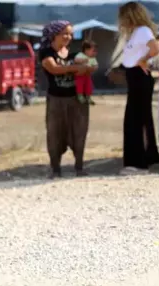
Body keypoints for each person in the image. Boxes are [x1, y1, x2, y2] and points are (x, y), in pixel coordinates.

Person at [39, 20, 96, 178]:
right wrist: (77, 69)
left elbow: (88, 66)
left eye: (70, 34)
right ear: (53, 35)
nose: (68, 37)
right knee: (55, 134)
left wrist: (87, 68)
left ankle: (79, 167)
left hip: (77, 100)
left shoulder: (73, 53)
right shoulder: (46, 53)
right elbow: (54, 69)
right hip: (56, 101)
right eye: (65, 33)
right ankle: (55, 169)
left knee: (79, 132)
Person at [117, 1, 159, 174]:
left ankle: (139, 163)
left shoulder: (143, 31)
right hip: (133, 77)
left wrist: (143, 59)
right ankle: (143, 159)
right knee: (135, 118)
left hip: (139, 76)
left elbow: (155, 48)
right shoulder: (134, 33)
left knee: (137, 118)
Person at [74, 40, 99, 105]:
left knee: (89, 86)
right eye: (93, 51)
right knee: (79, 85)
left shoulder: (93, 58)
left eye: (96, 51)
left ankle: (88, 97)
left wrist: (94, 68)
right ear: (86, 50)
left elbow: (96, 66)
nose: (95, 53)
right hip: (79, 75)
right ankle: (80, 96)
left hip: (87, 75)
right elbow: (76, 60)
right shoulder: (80, 55)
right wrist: (82, 60)